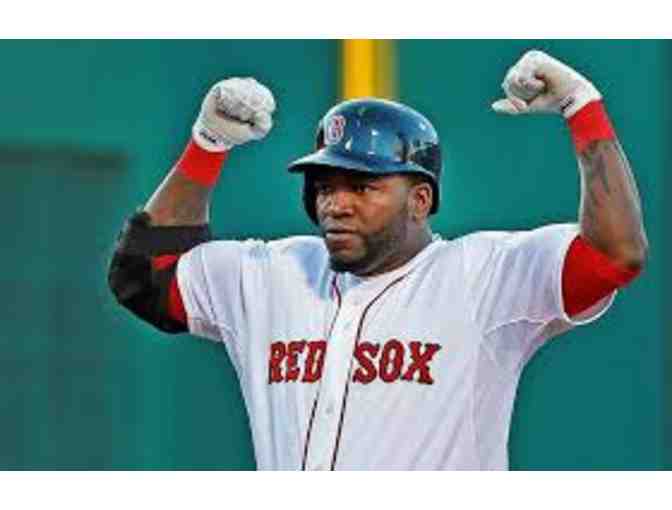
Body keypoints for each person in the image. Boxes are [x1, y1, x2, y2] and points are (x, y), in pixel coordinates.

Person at [108, 51, 648, 470]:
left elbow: (614, 255)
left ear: (420, 199)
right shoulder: (273, 273)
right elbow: (144, 277)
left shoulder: (483, 276)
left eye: (362, 186)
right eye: (325, 185)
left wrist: (581, 107)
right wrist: (207, 145)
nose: (335, 203)